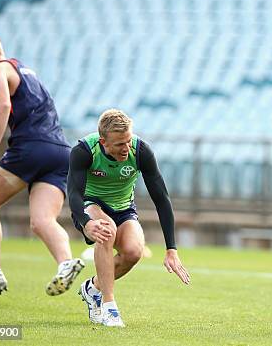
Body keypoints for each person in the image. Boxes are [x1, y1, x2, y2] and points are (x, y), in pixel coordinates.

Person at [0, 32, 84, 304]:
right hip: (60, 152)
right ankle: (66, 263)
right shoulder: (28, 72)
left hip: (31, 148)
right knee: (42, 221)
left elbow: (3, 104)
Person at [68, 109, 190, 327]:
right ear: (104, 141)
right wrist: (87, 223)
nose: (126, 148)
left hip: (124, 209)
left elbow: (161, 198)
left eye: (128, 141)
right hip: (90, 206)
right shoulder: (84, 151)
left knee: (133, 252)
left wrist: (171, 249)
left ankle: (93, 288)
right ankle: (109, 307)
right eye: (119, 144)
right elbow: (74, 193)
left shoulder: (141, 151)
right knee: (107, 229)